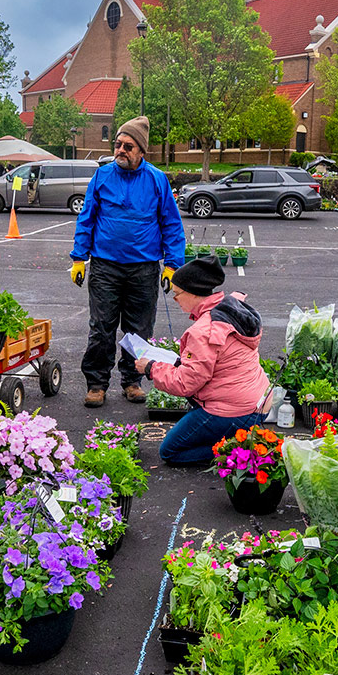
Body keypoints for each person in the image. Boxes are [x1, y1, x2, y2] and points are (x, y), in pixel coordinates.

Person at [71, 115, 186, 408]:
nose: (121, 150)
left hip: (144, 268)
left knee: (139, 330)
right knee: (101, 327)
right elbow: (87, 218)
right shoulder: (102, 176)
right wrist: (79, 258)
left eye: (128, 146)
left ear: (141, 152)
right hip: (105, 266)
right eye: (118, 144)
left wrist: (172, 265)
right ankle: (96, 384)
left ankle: (132, 381)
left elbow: (171, 224)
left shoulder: (156, 179)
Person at [133, 258, 270, 466]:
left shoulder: (204, 330)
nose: (175, 299)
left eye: (178, 293)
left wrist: (151, 368)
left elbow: (185, 383)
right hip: (258, 400)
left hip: (236, 410)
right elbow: (210, 365)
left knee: (170, 451)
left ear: (194, 293)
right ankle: (240, 437)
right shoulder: (229, 309)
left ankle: (238, 451)